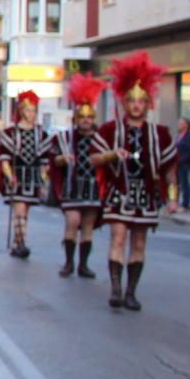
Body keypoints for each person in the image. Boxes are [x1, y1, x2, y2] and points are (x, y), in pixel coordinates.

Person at [90, 52, 177, 312]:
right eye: (132, 101)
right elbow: (94, 158)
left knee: (139, 242)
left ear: (147, 103)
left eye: (141, 101)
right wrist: (112, 154)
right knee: (118, 237)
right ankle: (116, 289)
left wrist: (172, 197)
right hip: (120, 191)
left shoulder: (159, 134)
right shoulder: (109, 130)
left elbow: (170, 167)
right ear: (125, 103)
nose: (136, 105)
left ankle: (131, 292)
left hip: (147, 194)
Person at [51, 74, 107, 278]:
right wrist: (63, 159)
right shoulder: (65, 138)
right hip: (73, 186)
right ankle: (68, 262)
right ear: (76, 119)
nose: (86, 121)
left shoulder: (101, 139)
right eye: (82, 117)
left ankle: (84, 264)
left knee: (88, 226)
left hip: (92, 187)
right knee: (72, 221)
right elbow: (53, 160)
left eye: (89, 117)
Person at [0, 90, 52, 259]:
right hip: (17, 176)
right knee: (19, 209)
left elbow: (44, 161)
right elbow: (4, 158)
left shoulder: (41, 135)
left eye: (33, 110)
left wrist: (42, 180)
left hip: (32, 177)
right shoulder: (10, 133)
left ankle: (17, 241)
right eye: (28, 110)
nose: (31, 114)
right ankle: (21, 243)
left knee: (25, 212)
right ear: (21, 111)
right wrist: (9, 175)